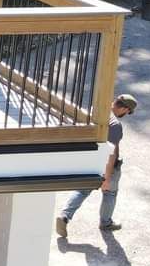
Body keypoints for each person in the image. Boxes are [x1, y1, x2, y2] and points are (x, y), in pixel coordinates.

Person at [56, 93, 138, 236]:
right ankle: (106, 223)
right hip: (106, 165)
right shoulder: (115, 125)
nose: (126, 114)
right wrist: (106, 177)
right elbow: (111, 153)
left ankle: (64, 216)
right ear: (124, 109)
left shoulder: (97, 111)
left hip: (89, 160)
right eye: (128, 112)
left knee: (82, 190)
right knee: (110, 193)